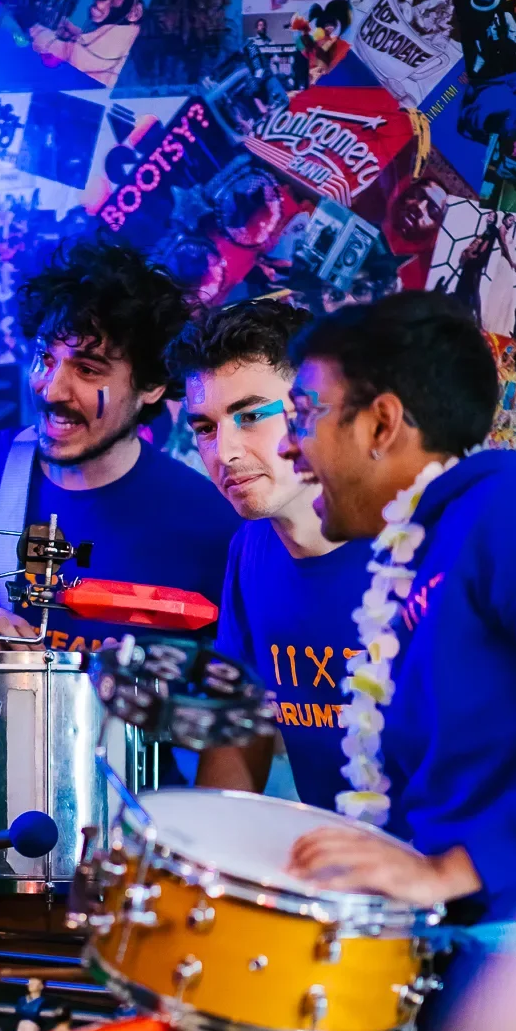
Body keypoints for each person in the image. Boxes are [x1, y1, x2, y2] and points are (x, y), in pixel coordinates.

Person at [278, 291, 516, 1031]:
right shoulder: (415, 550)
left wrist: (447, 872)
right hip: (472, 978)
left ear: (381, 423)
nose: (287, 447)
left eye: (304, 412)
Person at [0, 239, 241, 653]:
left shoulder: (215, 526)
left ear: (153, 385)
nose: (51, 389)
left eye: (87, 370)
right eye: (45, 359)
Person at [168, 299, 372, 810]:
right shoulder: (251, 550)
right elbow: (241, 734)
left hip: (482, 874)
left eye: (251, 415)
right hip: (340, 878)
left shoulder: (438, 538)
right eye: (205, 428)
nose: (224, 452)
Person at [30, 0, 144, 91]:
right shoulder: (116, 34)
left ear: (134, 13)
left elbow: (73, 52)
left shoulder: (118, 42)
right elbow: (84, 43)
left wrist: (33, 25)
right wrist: (66, 25)